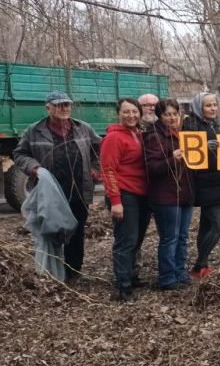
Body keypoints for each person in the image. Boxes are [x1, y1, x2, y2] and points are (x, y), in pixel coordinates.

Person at [13, 91, 102, 282]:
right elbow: (20, 154)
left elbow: (99, 148)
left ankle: (73, 272)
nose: (64, 109)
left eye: (67, 105)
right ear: (48, 108)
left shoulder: (82, 128)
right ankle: (52, 273)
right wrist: (34, 168)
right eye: (59, 105)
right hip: (51, 194)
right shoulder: (34, 131)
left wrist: (96, 168)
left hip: (79, 190)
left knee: (76, 232)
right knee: (52, 231)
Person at [101, 98, 151, 302]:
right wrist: (115, 200)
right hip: (124, 194)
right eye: (126, 112)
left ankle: (131, 274)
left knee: (137, 238)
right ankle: (123, 284)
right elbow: (108, 169)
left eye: (134, 112)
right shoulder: (113, 138)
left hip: (142, 194)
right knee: (126, 240)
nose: (131, 116)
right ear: (118, 114)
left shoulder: (138, 133)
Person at [144, 99, 194, 291]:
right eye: (167, 114)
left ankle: (181, 273)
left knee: (182, 237)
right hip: (165, 196)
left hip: (185, 194)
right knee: (170, 238)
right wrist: (172, 159)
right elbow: (151, 168)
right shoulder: (154, 136)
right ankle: (167, 278)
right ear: (160, 116)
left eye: (175, 114)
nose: (172, 118)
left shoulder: (183, 134)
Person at [183, 91, 220, 279]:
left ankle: (202, 266)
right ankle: (199, 265)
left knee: (206, 225)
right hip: (203, 183)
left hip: (216, 182)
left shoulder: (214, 125)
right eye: (208, 106)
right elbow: (190, 154)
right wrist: (205, 147)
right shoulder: (190, 125)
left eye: (214, 105)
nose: (213, 109)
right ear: (198, 108)